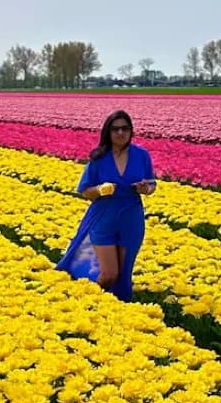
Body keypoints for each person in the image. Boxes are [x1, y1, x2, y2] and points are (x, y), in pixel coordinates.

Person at [56, 109, 155, 302]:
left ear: (131, 131)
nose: (120, 133)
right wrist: (101, 190)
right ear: (108, 132)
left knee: (124, 274)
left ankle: (119, 312)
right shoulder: (99, 157)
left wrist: (145, 188)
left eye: (125, 128)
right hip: (104, 217)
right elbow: (85, 190)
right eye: (115, 129)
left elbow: (152, 184)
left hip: (131, 217)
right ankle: (87, 301)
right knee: (110, 273)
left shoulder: (141, 155)